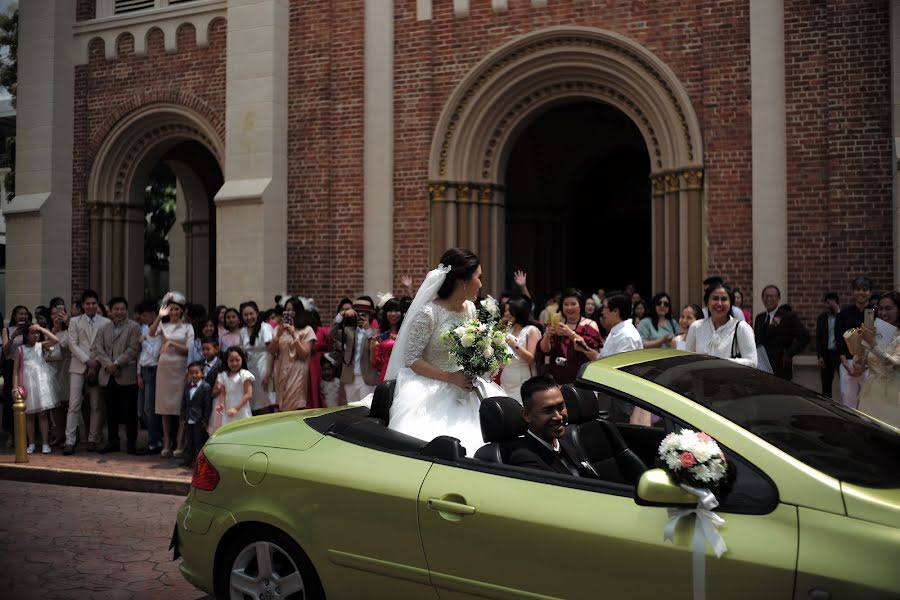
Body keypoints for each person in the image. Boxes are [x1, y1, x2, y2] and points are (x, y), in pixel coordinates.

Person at [385, 247, 485, 454]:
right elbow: (412, 359)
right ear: (462, 281)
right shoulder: (429, 313)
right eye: (478, 277)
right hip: (431, 386)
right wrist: (450, 377)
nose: (481, 284)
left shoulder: (471, 309)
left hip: (466, 386)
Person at [507, 375, 589, 476]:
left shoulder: (568, 447)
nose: (558, 417)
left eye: (561, 407)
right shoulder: (525, 459)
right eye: (548, 410)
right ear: (527, 415)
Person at [92, 297, 143, 454]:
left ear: (126, 310)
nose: (119, 312)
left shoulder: (134, 327)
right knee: (111, 411)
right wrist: (108, 365)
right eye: (116, 309)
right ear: (111, 311)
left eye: (122, 309)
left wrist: (117, 363)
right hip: (108, 375)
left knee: (130, 412)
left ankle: (131, 444)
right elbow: (98, 348)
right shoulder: (104, 328)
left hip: (127, 374)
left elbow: (133, 349)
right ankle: (113, 442)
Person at [64, 290, 110, 455]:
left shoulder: (105, 322)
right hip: (78, 365)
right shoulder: (75, 321)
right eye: (87, 303)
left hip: (98, 366)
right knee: (74, 404)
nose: (91, 306)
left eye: (93, 303)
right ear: (83, 305)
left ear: (97, 304)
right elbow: (72, 344)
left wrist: (96, 361)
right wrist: (87, 360)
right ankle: (69, 441)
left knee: (96, 404)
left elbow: (106, 344)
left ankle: (93, 438)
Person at [150, 291, 194, 458]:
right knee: (164, 407)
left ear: (182, 310)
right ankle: (167, 441)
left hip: (180, 366)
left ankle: (180, 441)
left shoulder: (187, 327)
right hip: (164, 367)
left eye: (177, 309)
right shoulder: (163, 325)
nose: (174, 312)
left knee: (179, 407)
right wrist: (160, 316)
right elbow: (151, 333)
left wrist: (171, 343)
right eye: (171, 309)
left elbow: (189, 349)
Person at [13, 323, 61, 454]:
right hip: (27, 384)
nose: (36, 335)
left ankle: (45, 443)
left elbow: (55, 340)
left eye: (37, 333)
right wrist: (15, 388)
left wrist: (42, 328)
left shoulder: (40, 346)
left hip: (41, 384)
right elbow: (16, 371)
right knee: (29, 415)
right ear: (26, 335)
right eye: (32, 333)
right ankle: (32, 443)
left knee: (43, 414)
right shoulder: (20, 349)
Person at [538, 288, 602, 385]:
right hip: (558, 380)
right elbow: (545, 350)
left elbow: (594, 355)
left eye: (573, 304)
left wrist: (570, 334)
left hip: (582, 380)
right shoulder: (558, 324)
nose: (569, 308)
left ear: (581, 305)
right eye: (566, 304)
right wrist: (547, 335)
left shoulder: (590, 325)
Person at [686, 282, 757, 367]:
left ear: (730, 303)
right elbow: (688, 361)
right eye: (715, 298)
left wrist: (721, 362)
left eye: (724, 299)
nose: (719, 304)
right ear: (707, 302)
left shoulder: (741, 328)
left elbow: (752, 363)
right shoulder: (696, 327)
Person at [857, 291, 900, 428]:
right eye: (880, 308)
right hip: (870, 392)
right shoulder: (876, 331)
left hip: (892, 394)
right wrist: (859, 354)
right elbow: (863, 362)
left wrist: (873, 344)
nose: (883, 313)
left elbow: (894, 363)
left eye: (888, 308)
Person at [267, 297, 316, 411]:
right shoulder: (278, 330)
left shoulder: (307, 330)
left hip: (297, 372)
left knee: (294, 405)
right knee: (281, 406)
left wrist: (294, 335)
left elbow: (304, 354)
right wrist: (278, 335)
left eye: (292, 310)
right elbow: (272, 351)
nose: (289, 313)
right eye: (287, 310)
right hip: (281, 371)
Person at [753, 285, 810, 380]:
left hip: (781, 367)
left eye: (772, 296)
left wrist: (788, 354)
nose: (768, 299)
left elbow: (804, 337)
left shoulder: (788, 316)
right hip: (762, 367)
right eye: (766, 296)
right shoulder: (760, 318)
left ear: (778, 298)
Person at [835, 276, 875, 409]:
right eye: (858, 289)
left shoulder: (876, 313)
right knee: (847, 401)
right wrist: (846, 364)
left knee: (869, 402)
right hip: (848, 363)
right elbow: (839, 340)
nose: (861, 293)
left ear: (870, 292)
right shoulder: (844, 314)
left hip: (870, 364)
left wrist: (865, 365)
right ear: (853, 292)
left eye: (865, 289)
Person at [331, 297, 380, 403]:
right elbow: (332, 334)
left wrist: (367, 330)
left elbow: (377, 346)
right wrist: (341, 314)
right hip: (350, 376)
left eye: (364, 314)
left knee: (366, 408)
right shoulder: (349, 331)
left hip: (367, 377)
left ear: (370, 315)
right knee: (351, 408)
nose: (361, 317)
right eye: (358, 314)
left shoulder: (375, 331)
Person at [500, 298, 540, 403]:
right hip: (506, 379)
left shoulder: (531, 330)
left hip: (524, 380)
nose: (507, 314)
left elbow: (531, 359)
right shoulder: (508, 330)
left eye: (510, 311)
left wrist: (514, 344)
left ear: (518, 311)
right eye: (505, 311)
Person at [239, 301, 276, 415]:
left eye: (251, 314)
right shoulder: (243, 331)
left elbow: (271, 352)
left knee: (266, 403)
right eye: (246, 315)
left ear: (257, 313)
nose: (249, 317)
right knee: (253, 405)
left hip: (264, 367)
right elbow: (243, 354)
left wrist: (268, 374)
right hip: (250, 370)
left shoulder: (265, 328)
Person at [136, 302, 162, 453]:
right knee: (142, 410)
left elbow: (155, 353)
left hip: (153, 370)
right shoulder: (144, 328)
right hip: (144, 370)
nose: (143, 317)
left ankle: (154, 443)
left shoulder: (159, 329)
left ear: (153, 314)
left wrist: (144, 342)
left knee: (149, 408)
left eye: (145, 314)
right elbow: (142, 354)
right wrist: (138, 373)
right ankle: (155, 439)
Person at [181, 361, 213, 467]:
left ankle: (197, 461)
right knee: (189, 439)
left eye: (196, 372)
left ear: (202, 373)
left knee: (198, 440)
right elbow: (184, 402)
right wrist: (183, 416)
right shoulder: (187, 386)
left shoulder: (206, 387)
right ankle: (188, 458)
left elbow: (207, 405)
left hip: (199, 418)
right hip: (189, 417)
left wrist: (205, 419)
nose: (194, 375)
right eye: (191, 373)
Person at [213, 347, 254, 426]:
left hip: (242, 409)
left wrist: (236, 408)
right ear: (226, 361)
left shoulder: (244, 374)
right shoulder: (223, 376)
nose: (234, 363)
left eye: (237, 360)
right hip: (228, 409)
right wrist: (221, 404)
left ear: (242, 359)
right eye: (231, 360)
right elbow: (223, 392)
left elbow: (248, 394)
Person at [370, 297, 404, 383]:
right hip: (385, 374)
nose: (393, 314)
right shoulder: (380, 334)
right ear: (385, 313)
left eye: (396, 311)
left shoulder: (407, 331)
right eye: (390, 311)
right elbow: (375, 364)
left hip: (403, 374)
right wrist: (372, 349)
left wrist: (401, 341)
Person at [600, 293, 644, 357]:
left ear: (615, 311)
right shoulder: (616, 331)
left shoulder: (627, 337)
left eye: (604, 307)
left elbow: (621, 366)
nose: (602, 312)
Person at [815, 292, 841, 398]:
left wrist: (837, 311)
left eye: (831, 303)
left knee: (845, 384)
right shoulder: (821, 318)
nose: (828, 306)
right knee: (826, 386)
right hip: (826, 354)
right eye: (827, 303)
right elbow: (818, 338)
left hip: (840, 354)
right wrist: (820, 355)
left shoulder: (842, 316)